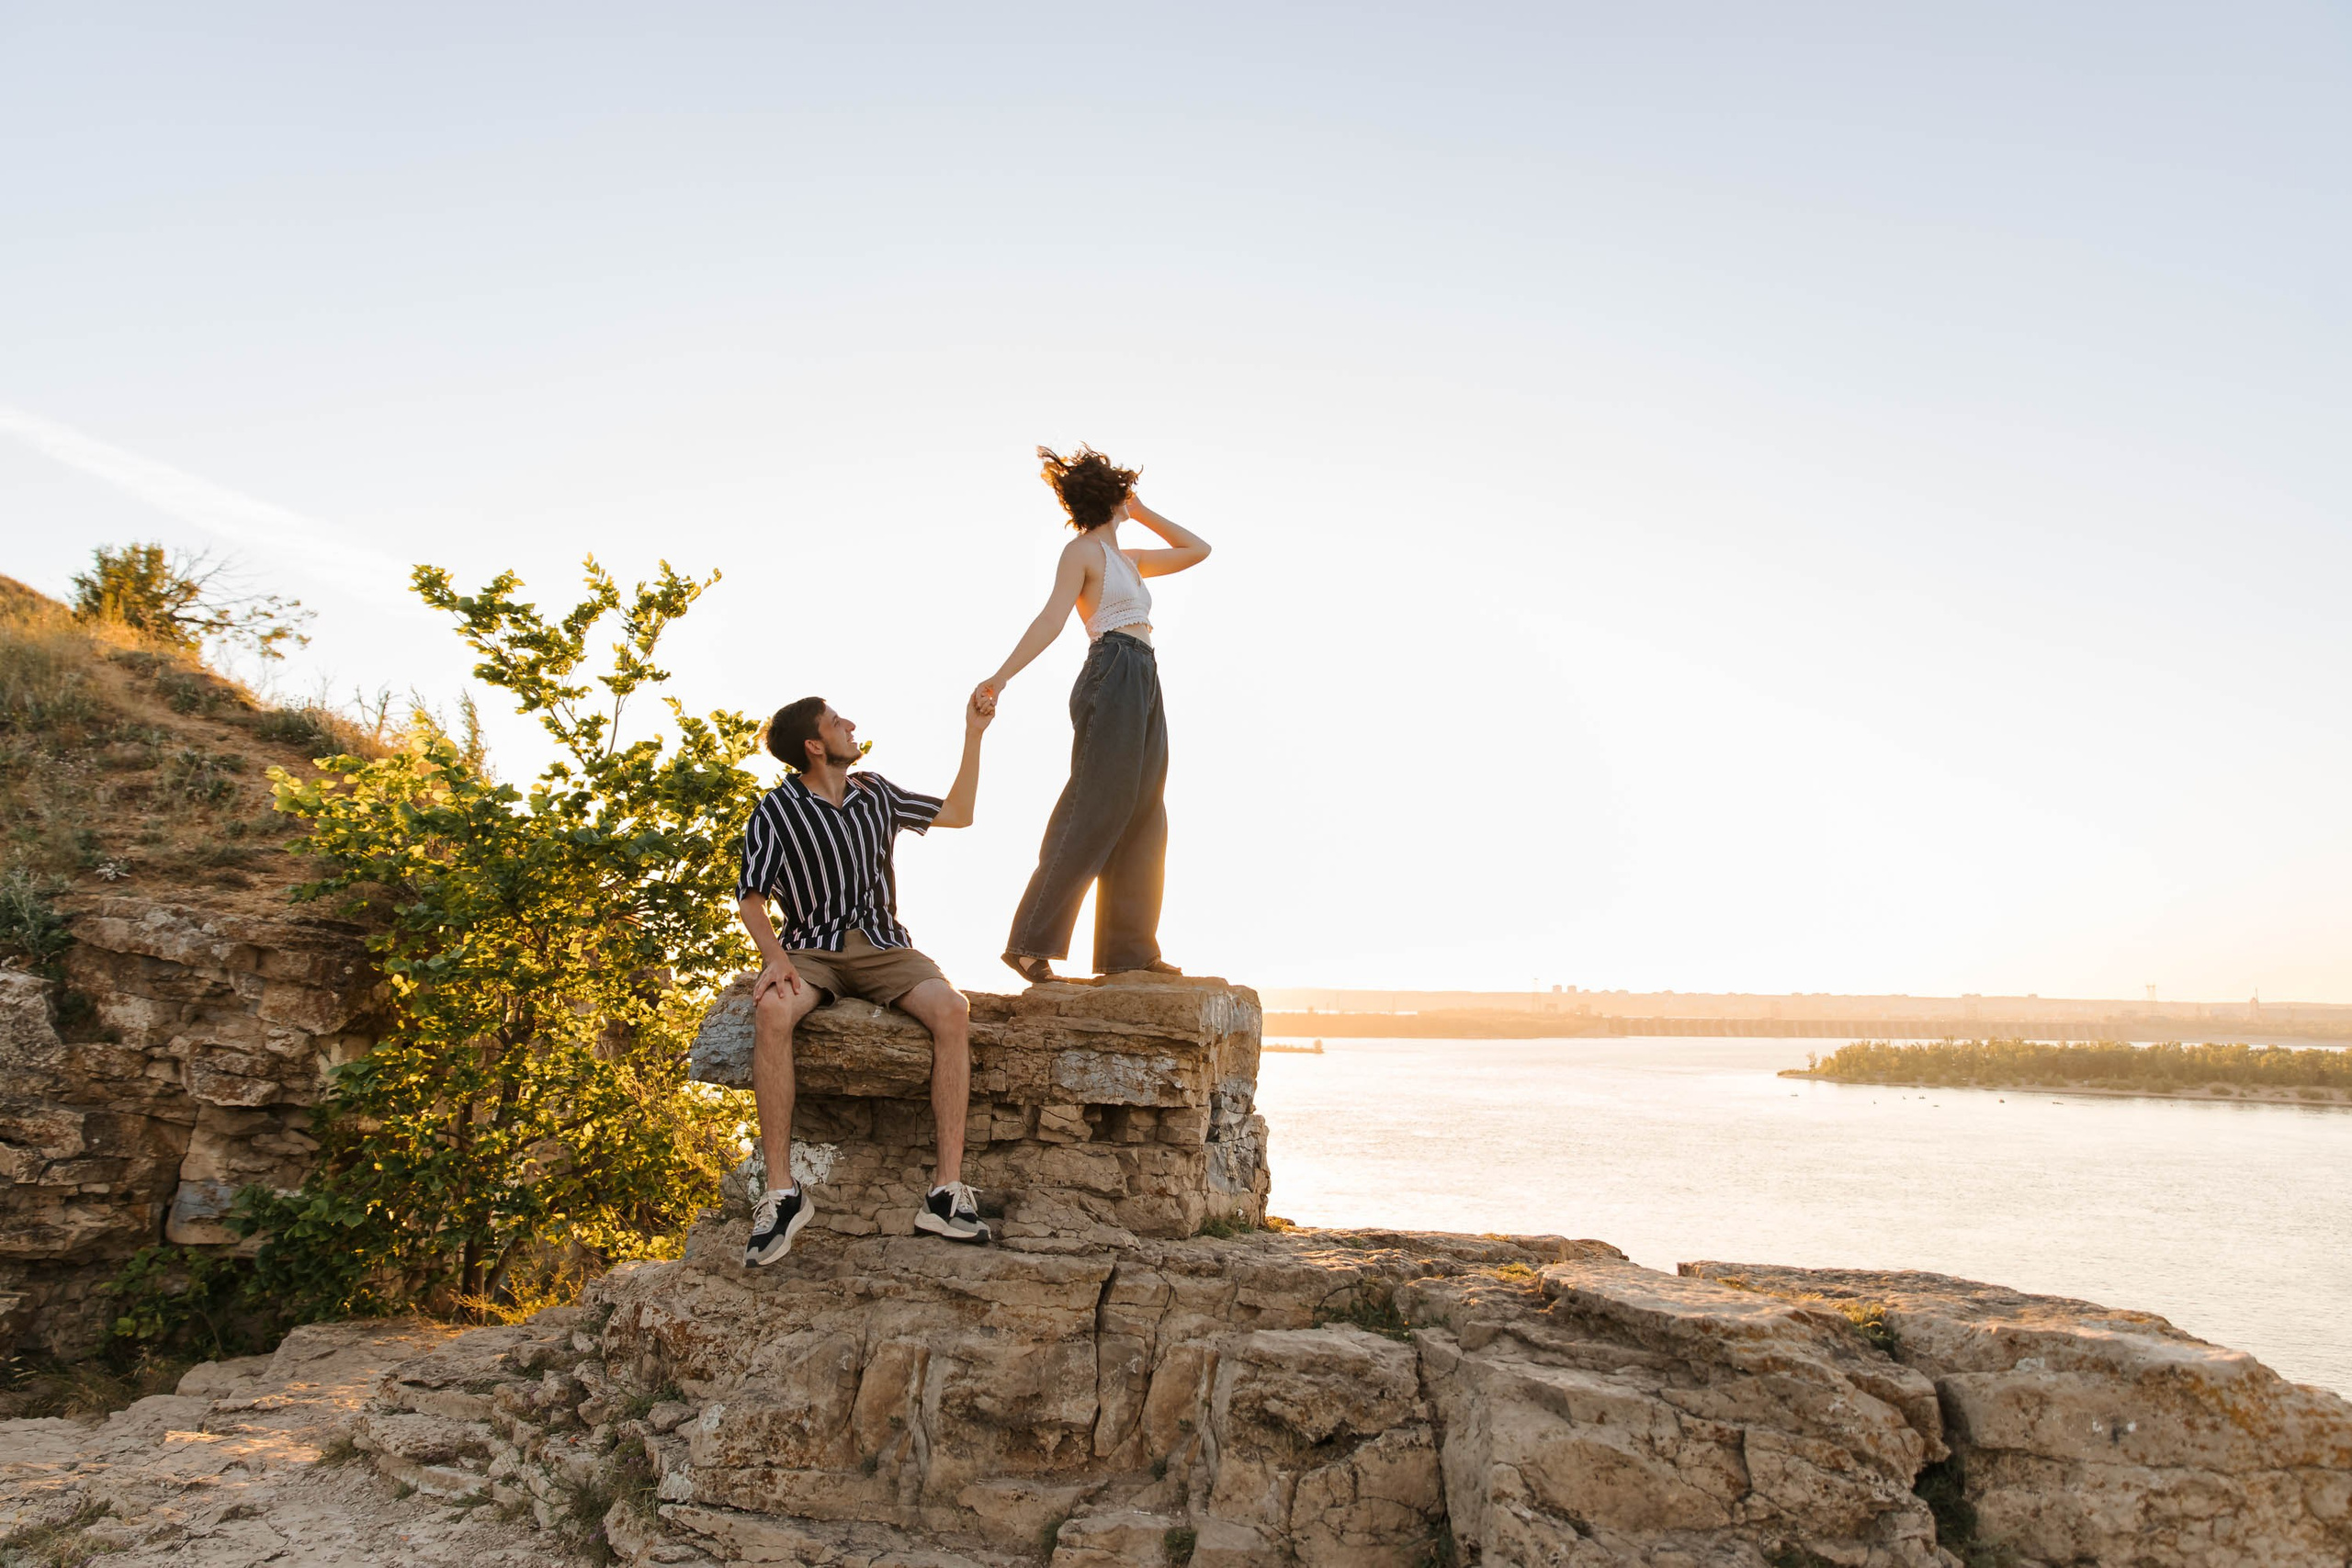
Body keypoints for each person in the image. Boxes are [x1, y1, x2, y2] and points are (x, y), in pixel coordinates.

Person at [733, 690, 993, 1266]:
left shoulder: (875, 791)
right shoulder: (774, 811)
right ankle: (782, 1193)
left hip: (882, 947)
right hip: (810, 950)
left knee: (952, 1011)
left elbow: (957, 813)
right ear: (814, 745)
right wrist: (775, 958)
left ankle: (945, 1194)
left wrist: (973, 734)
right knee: (773, 1011)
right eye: (836, 721)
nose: (850, 725)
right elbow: (751, 899)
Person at [978, 446, 1212, 984]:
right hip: (1112, 668)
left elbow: (1197, 549)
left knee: (1145, 809)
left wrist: (1143, 510)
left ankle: (1129, 952)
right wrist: (1001, 675)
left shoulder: (1128, 557)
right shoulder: (1081, 552)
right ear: (1111, 496)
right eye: (1125, 491)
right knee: (1095, 804)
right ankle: (1030, 941)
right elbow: (1052, 618)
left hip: (1144, 672)